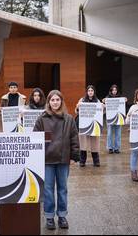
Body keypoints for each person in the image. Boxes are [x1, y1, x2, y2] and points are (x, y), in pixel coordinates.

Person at [34, 90, 80, 231]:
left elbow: (74, 138)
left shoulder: (69, 119)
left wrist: (74, 156)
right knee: (47, 189)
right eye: (52, 100)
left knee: (62, 189)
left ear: (61, 101)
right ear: (48, 102)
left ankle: (61, 215)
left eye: (57, 100)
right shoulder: (41, 119)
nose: (55, 102)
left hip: (63, 159)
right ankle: (49, 216)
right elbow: (35, 138)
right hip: (46, 160)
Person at [76, 85, 102, 167]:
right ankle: (82, 161)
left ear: (94, 92)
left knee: (94, 144)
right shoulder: (82, 100)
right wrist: (77, 107)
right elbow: (76, 112)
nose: (90, 92)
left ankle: (96, 161)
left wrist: (103, 107)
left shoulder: (97, 101)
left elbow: (101, 113)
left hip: (94, 126)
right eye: (89, 91)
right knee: (83, 144)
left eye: (92, 91)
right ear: (87, 92)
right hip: (84, 126)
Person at [103, 85, 126, 154]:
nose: (114, 91)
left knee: (118, 133)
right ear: (111, 91)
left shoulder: (120, 98)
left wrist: (125, 100)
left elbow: (123, 107)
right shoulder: (107, 98)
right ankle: (110, 148)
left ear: (117, 91)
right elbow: (104, 107)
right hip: (110, 118)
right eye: (113, 90)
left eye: (115, 90)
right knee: (109, 133)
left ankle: (117, 148)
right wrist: (104, 101)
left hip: (118, 118)